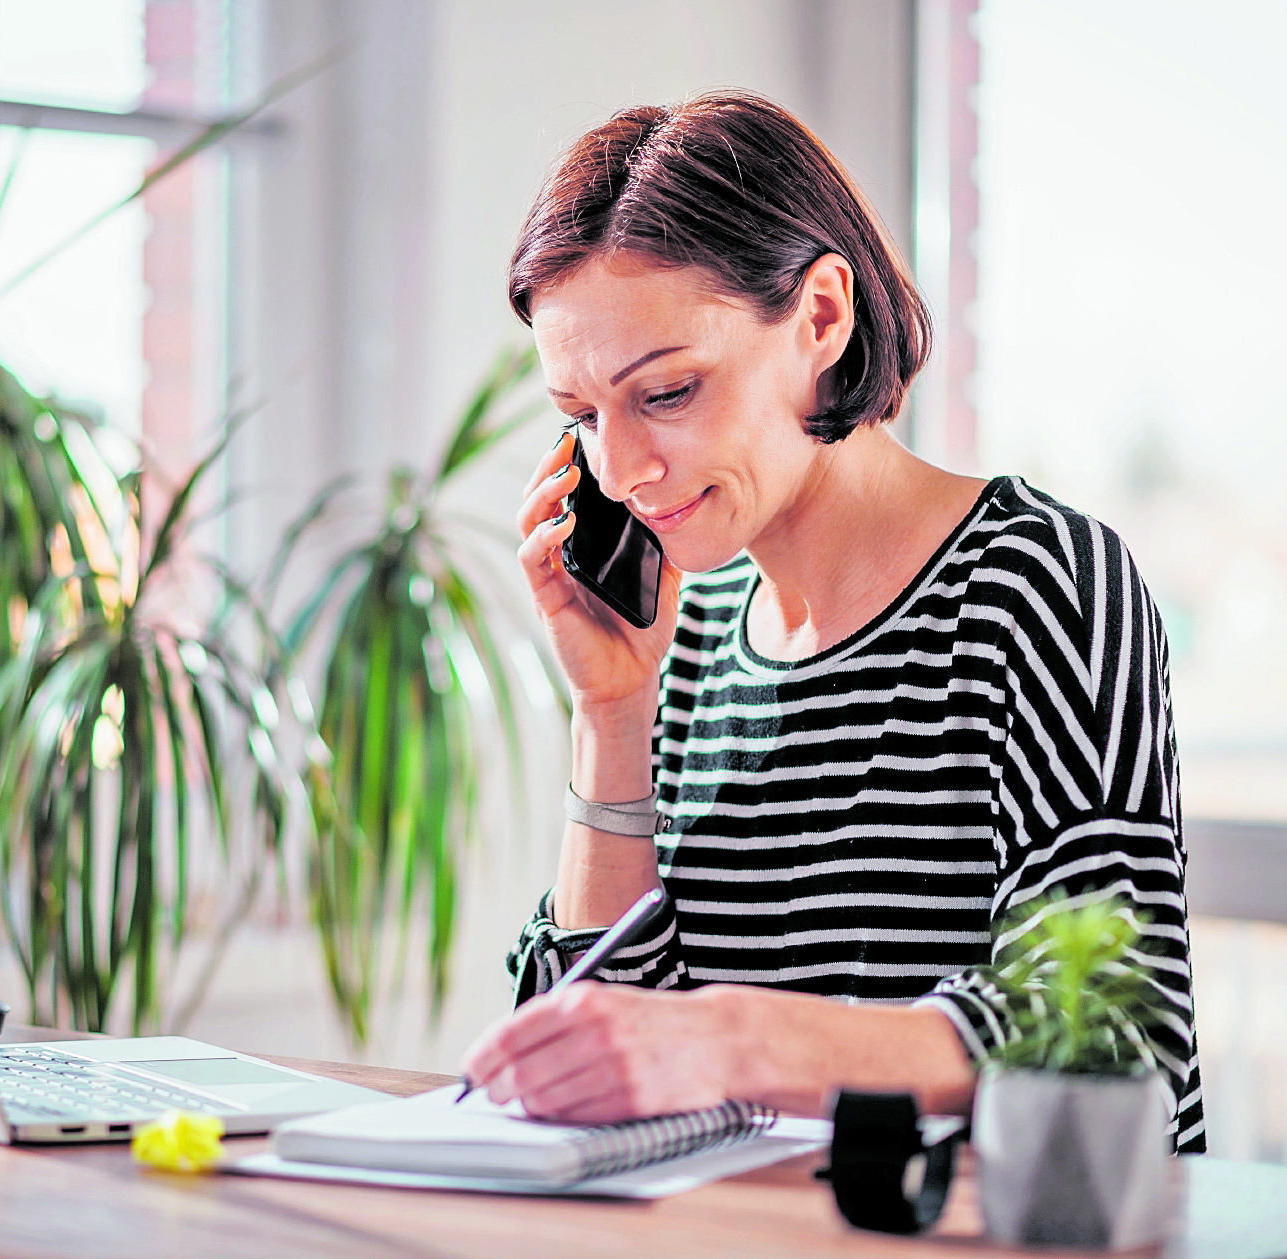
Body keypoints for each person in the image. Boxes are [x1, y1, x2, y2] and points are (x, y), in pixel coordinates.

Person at [458, 90, 1203, 1153]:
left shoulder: (1036, 581)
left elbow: (1111, 1025)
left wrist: (737, 1037)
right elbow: (593, 1053)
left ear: (819, 316)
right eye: (582, 415)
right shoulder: (687, 638)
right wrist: (611, 717)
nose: (617, 471)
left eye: (666, 392)